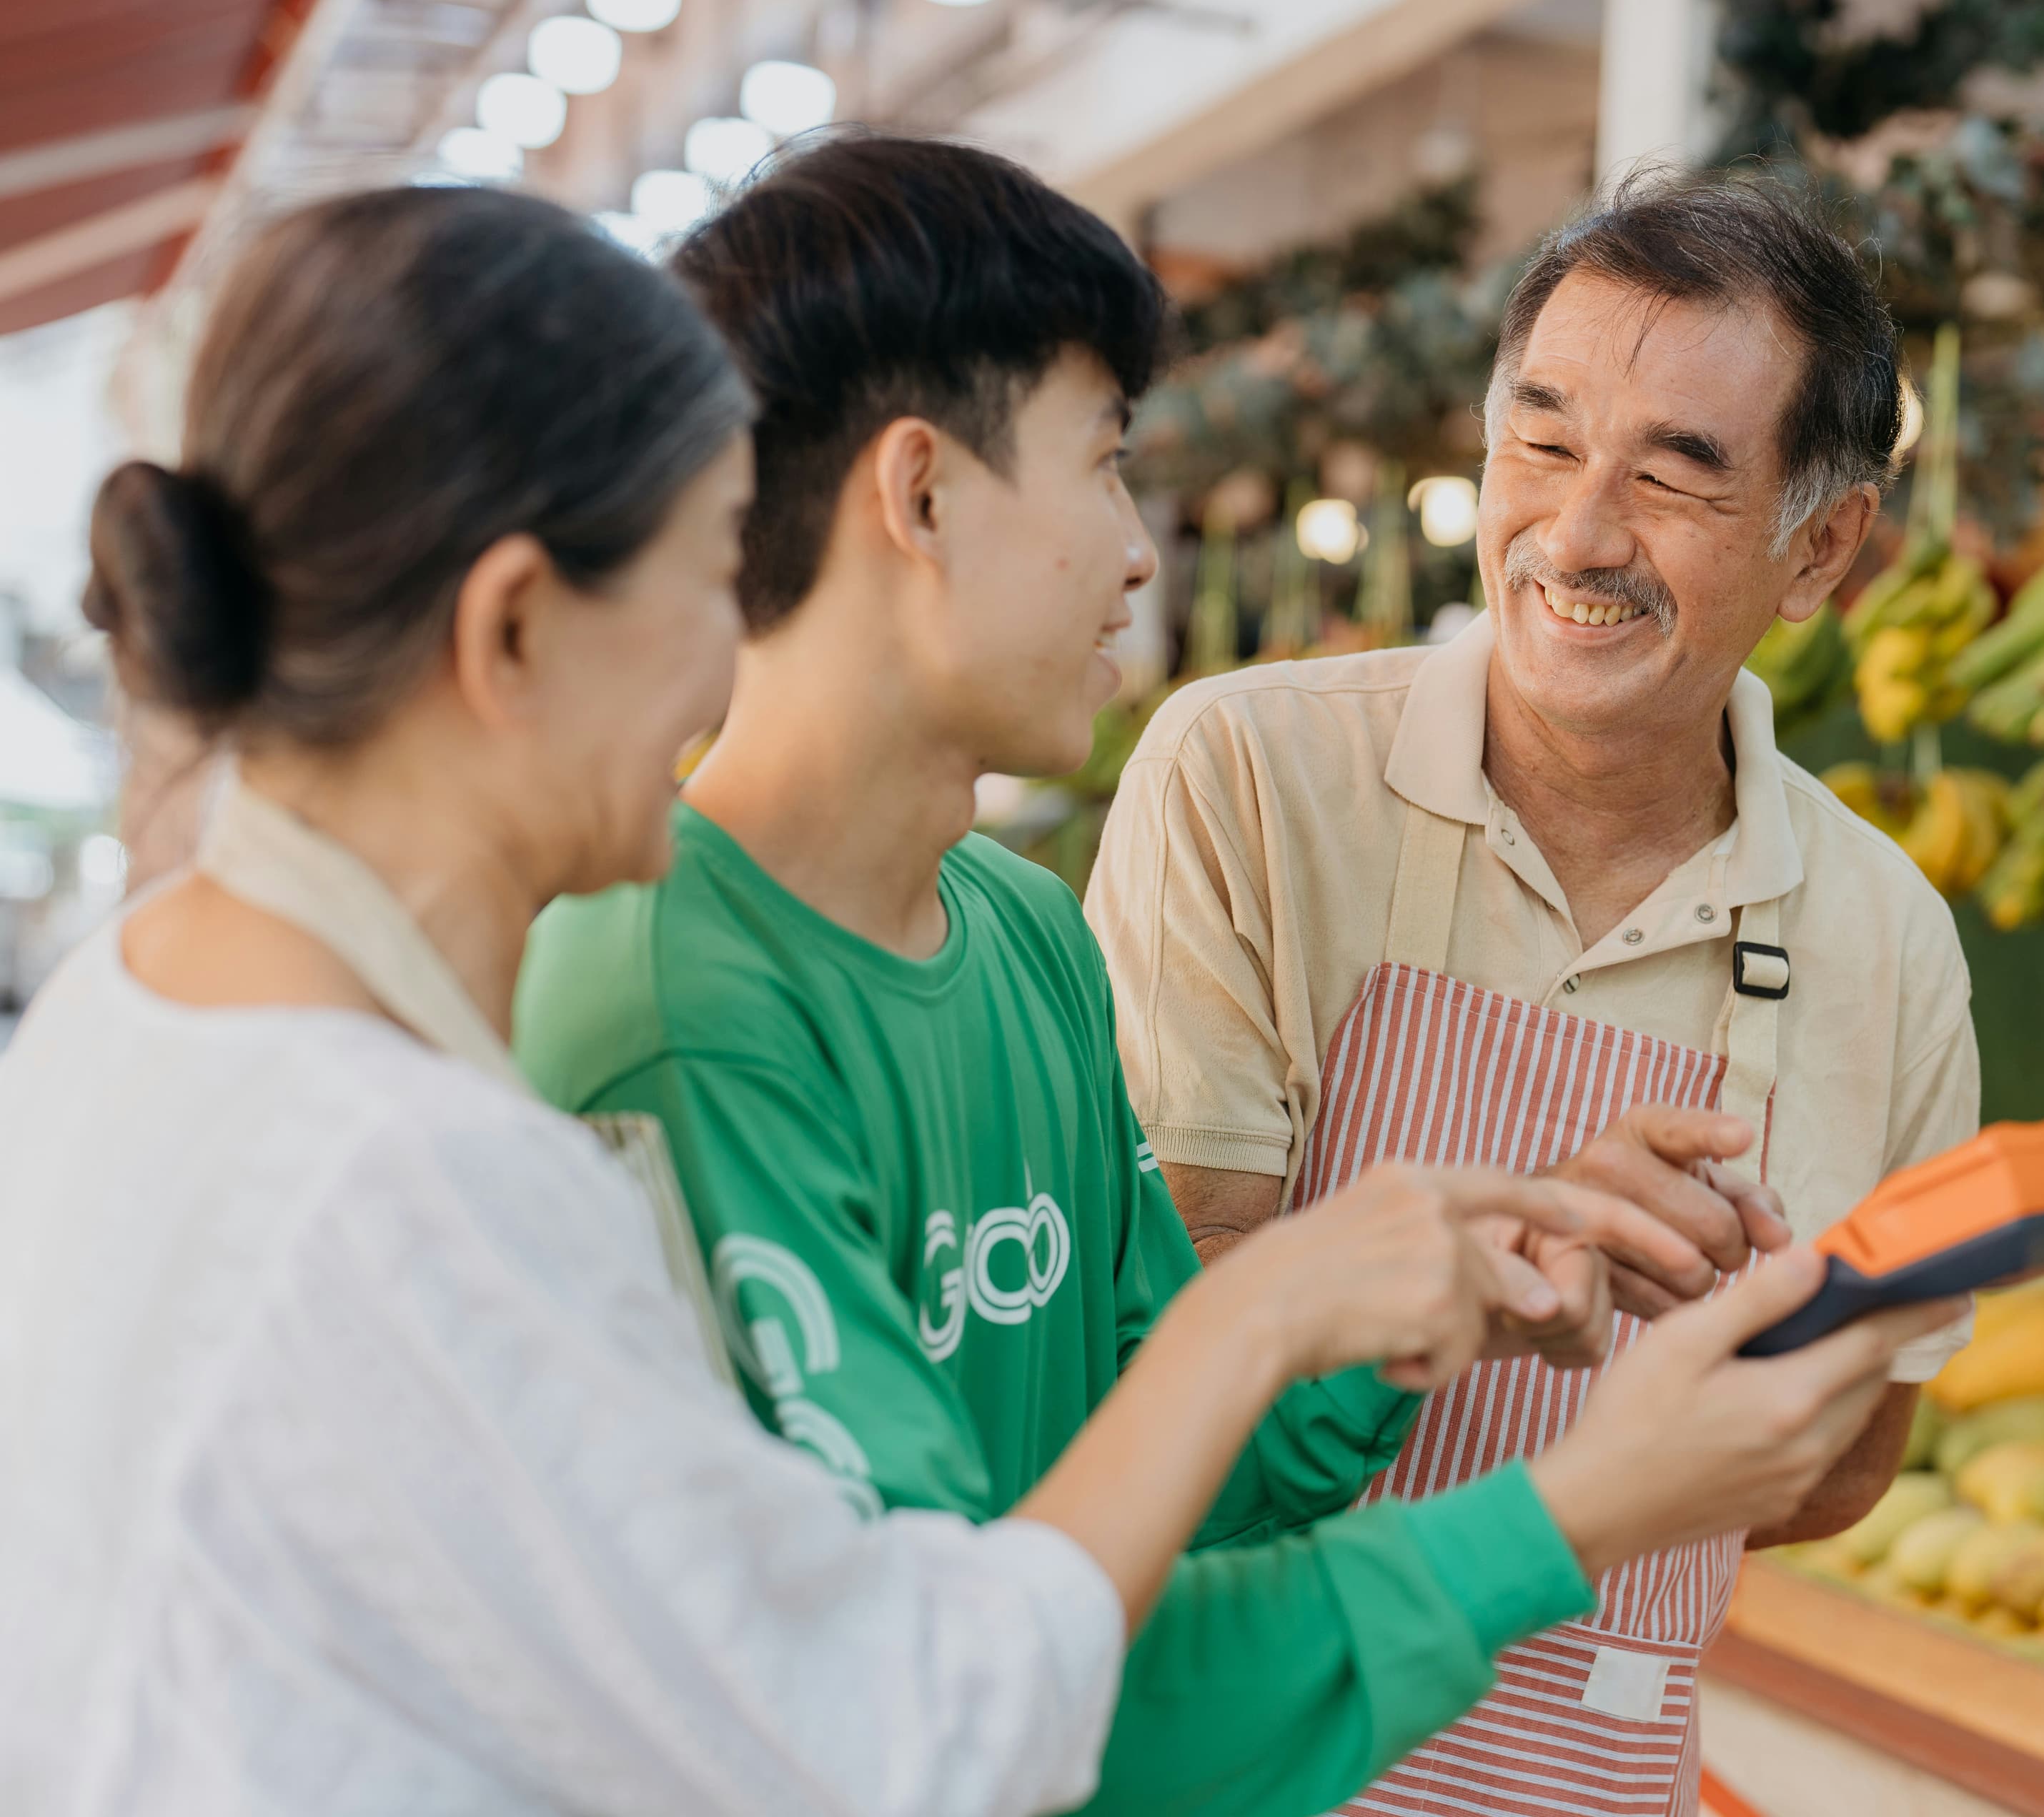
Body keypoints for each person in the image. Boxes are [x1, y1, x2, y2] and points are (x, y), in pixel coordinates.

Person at [0, 185, 1720, 1817]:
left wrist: (1373, 1300)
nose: (718, 656)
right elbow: (900, 1731)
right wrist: (1329, 1360)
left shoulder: (134, 1018)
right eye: (702, 576)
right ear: (514, 627)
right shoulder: (414, 1178)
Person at [512, 134, 1949, 1817]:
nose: (1140, 553)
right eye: (1105, 464)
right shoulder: (669, 1010)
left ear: (1821, 547)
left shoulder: (1023, 940)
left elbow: (1169, 1488)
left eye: (1675, 471)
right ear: (919, 494)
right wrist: (1566, 1508)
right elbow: (940, 1694)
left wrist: (1457, 1273)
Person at [1083, 169, 1982, 1815]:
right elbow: (1165, 1322)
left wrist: (1726, 1405)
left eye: (1674, 476)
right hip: (1239, 1757)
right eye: (1544, 441)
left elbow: (1860, 1446)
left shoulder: (1888, 936)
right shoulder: (1253, 777)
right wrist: (1518, 1307)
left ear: (1825, 547)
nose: (1577, 534)